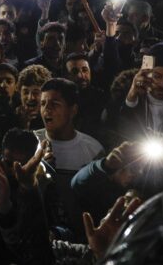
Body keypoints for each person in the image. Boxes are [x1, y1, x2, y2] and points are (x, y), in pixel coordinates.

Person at [34, 78, 105, 239]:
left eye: (55, 104)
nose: (47, 110)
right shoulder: (32, 143)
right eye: (43, 103)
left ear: (73, 110)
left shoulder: (93, 150)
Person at [117, 42, 163, 140]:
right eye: (157, 76)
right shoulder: (121, 93)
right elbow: (116, 128)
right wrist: (131, 97)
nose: (162, 84)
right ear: (146, 72)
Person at [64, 53, 105, 138]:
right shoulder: (62, 101)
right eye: (75, 72)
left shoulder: (102, 97)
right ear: (66, 76)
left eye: (85, 70)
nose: (81, 76)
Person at [16, 64, 51, 130]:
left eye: (36, 93)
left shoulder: (55, 119)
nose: (30, 97)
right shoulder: (12, 118)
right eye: (25, 92)